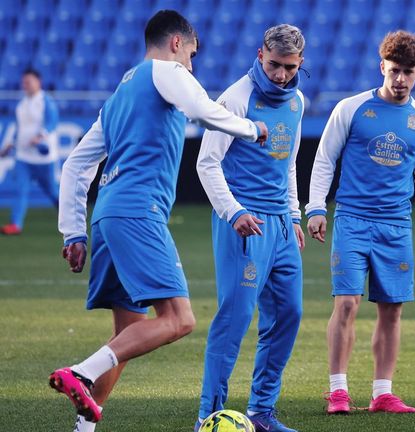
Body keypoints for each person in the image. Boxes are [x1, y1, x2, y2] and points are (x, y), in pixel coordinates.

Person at [51, 10, 264, 432]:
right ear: (176, 43)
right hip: (138, 212)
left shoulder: (118, 95)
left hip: (107, 216)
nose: (192, 66)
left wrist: (73, 230)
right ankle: (81, 371)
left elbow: (76, 165)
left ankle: (83, 428)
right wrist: (250, 128)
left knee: (127, 335)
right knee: (179, 319)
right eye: (192, 56)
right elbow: (202, 110)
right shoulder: (167, 70)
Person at [306, 30, 415, 415]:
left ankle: (383, 393)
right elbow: (324, 159)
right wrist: (316, 207)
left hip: (396, 227)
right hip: (351, 219)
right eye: (394, 70)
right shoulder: (350, 108)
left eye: (409, 72)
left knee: (392, 309)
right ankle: (338, 390)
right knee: (347, 303)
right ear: (381, 66)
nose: (400, 79)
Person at [194, 24, 306, 432]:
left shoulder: (298, 102)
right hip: (244, 223)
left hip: (280, 224)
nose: (281, 75)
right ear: (261, 54)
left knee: (290, 314)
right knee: (235, 317)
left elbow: (288, 162)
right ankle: (208, 415)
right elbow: (206, 163)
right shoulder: (236, 98)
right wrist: (233, 211)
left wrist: (293, 215)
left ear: (300, 64)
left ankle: (261, 412)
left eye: (289, 68)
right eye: (275, 65)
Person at [0, 68, 59, 235]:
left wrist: (40, 136)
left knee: (53, 192)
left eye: (28, 81)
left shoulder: (46, 101)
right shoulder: (22, 103)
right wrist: (10, 144)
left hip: (43, 158)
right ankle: (15, 224)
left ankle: (69, 219)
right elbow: (20, 128)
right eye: (23, 82)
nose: (25, 85)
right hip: (23, 156)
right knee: (20, 189)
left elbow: (52, 122)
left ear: (38, 82)